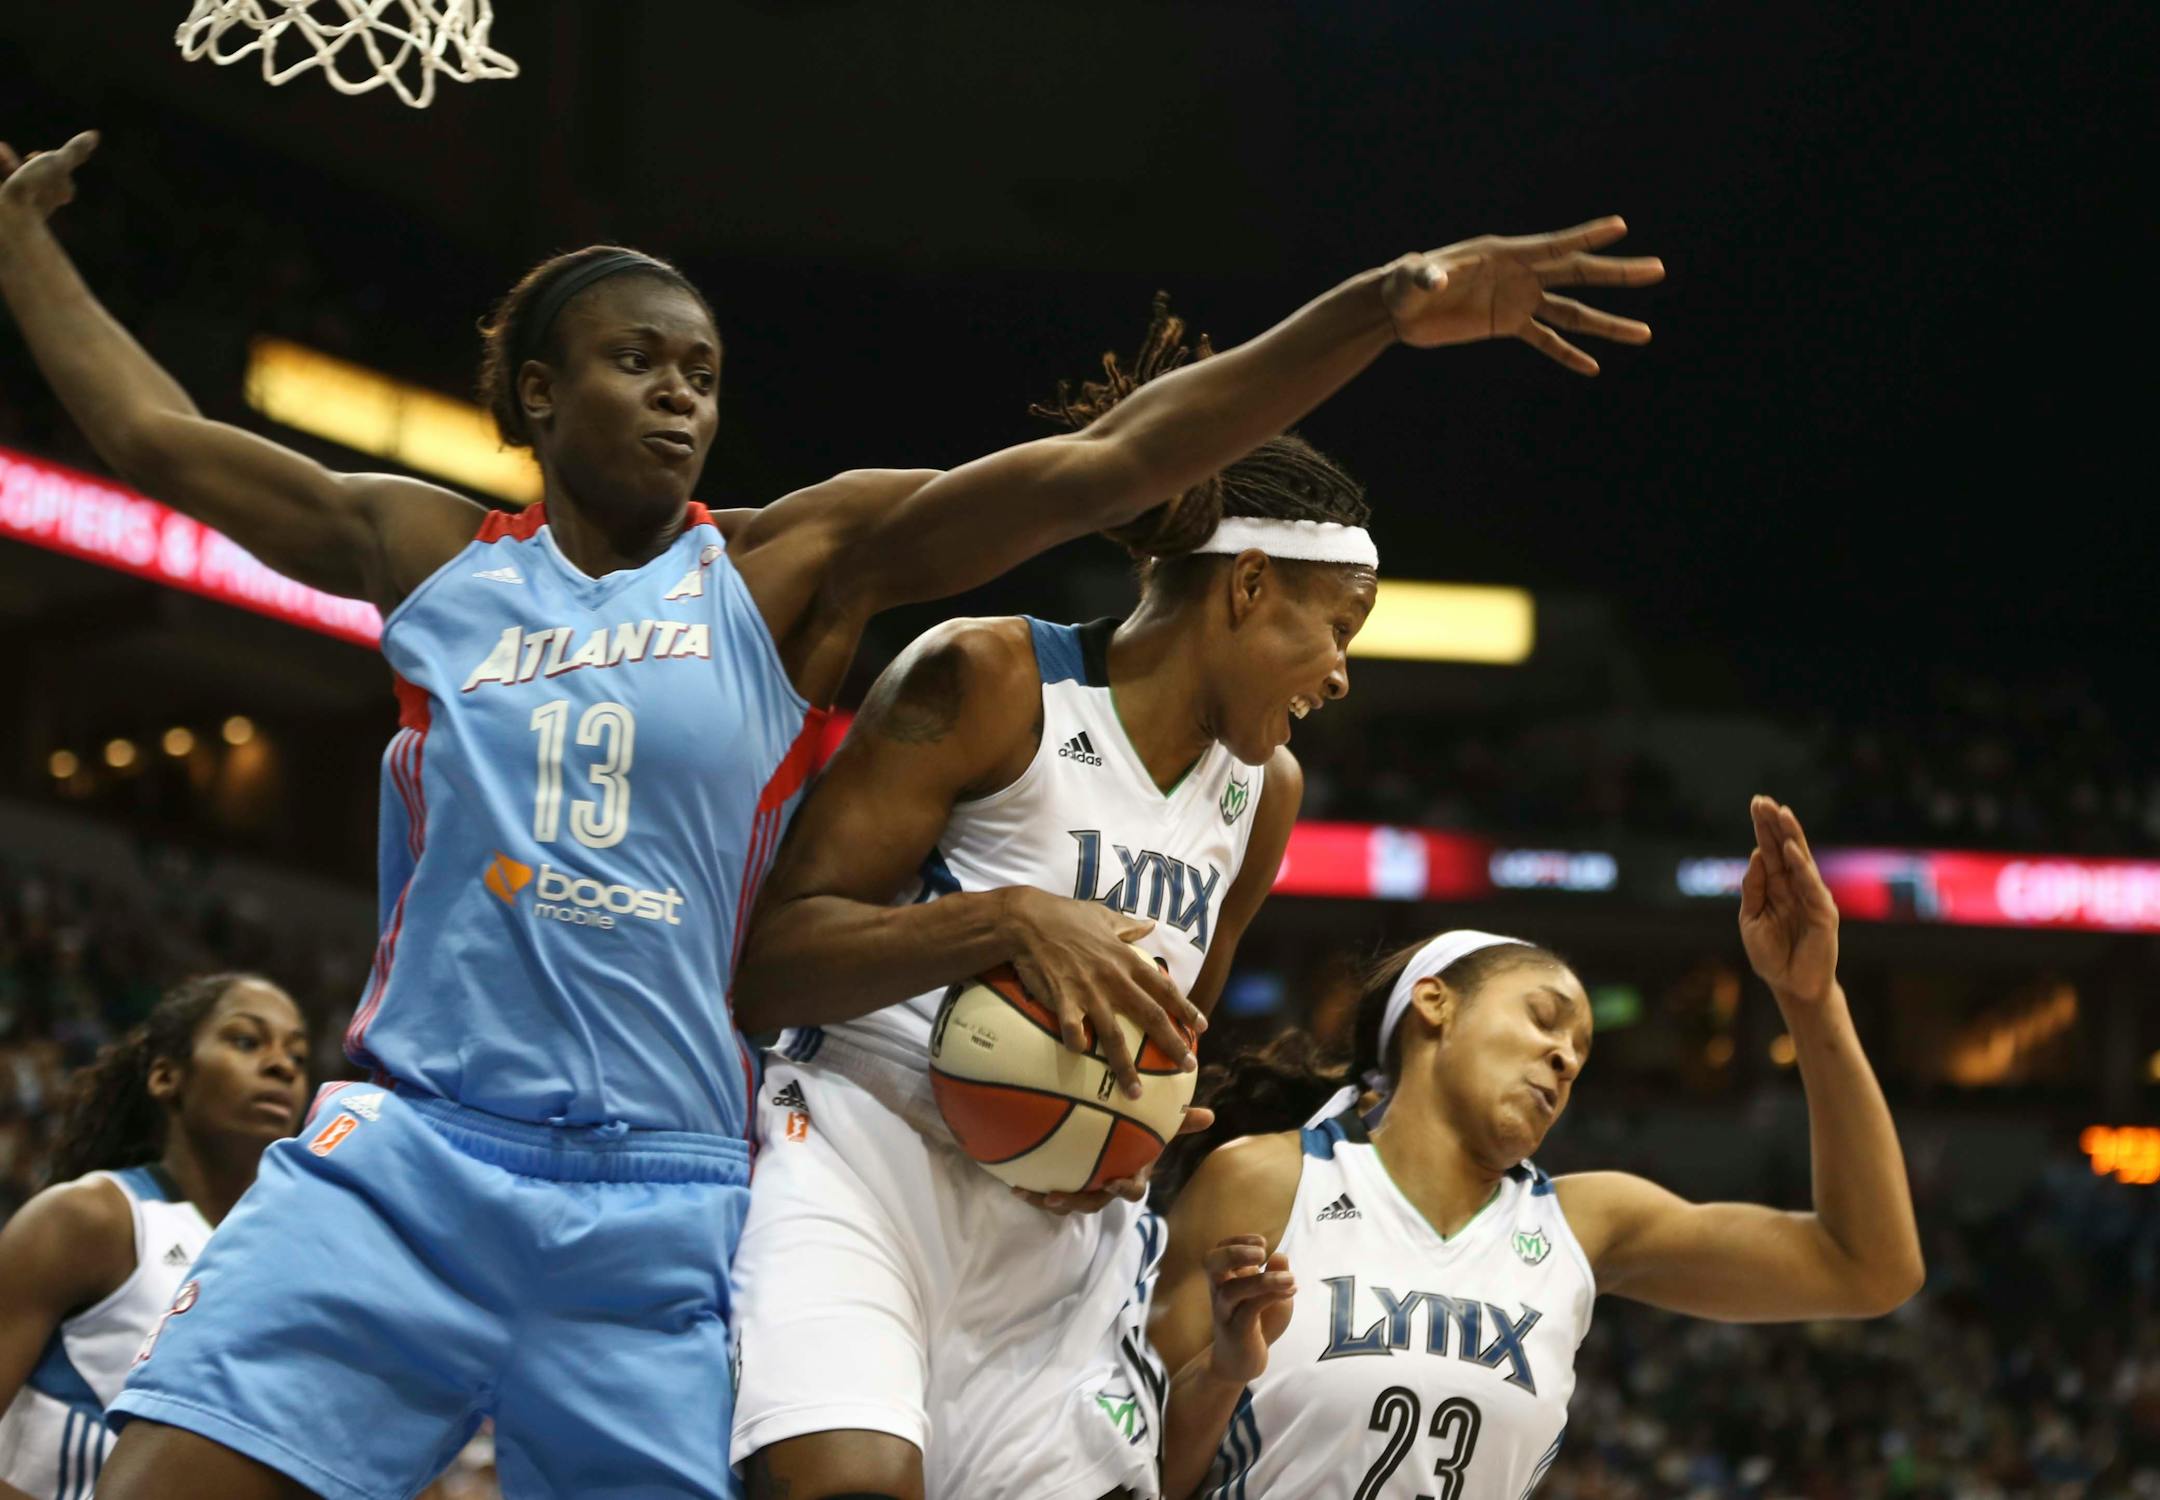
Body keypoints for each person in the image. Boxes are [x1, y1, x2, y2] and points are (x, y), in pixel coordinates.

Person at [0, 118, 1658, 1500]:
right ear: (530, 398)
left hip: (662, 1204)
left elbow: (1111, 466)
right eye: (636, 362)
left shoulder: (788, 568)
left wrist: (1380, 307)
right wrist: (16, 240)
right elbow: (155, 433)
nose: (679, 396)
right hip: (415, 1155)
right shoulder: (424, 557)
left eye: (703, 373)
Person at [727, 292, 1655, 1498]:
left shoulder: (1262, 791)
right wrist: (1004, 921)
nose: (1341, 674)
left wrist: (1155, 1121)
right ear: (1249, 585)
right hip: (871, 1161)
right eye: (1339, 626)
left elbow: (1178, 1039)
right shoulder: (991, 676)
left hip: (1058, 1235)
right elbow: (769, 964)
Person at [1149, 798, 1925, 1499]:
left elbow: (1870, 1268)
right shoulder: (1268, 1180)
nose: (1564, 1057)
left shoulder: (1586, 1224)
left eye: (1580, 1052)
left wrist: (1811, 1001)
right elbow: (1138, 1474)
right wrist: (1222, 1374)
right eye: (1544, 1019)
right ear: (1434, 1002)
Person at [0, 975, 311, 1500]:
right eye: (246, 1041)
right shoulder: (93, 1218)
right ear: (167, 1077)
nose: (282, 1066)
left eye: (299, 1057)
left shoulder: (285, 1272)